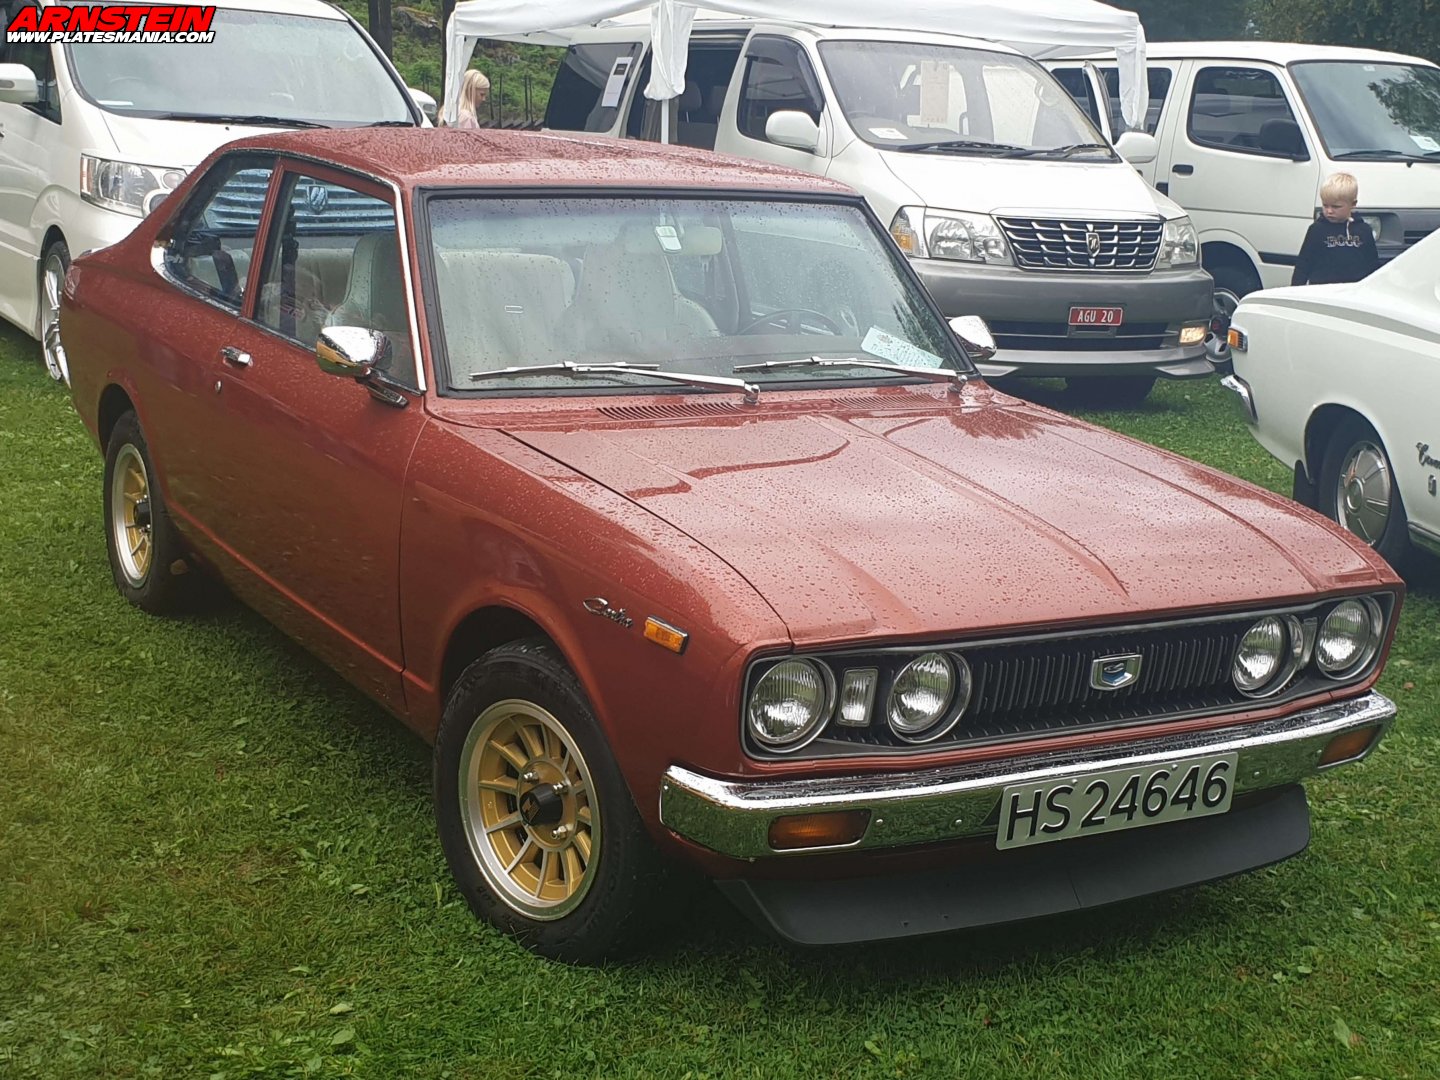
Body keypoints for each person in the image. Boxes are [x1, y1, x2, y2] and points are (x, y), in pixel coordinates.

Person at [1291, 172, 1379, 286]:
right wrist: (1296, 289)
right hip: (1322, 289)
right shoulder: (1316, 230)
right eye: (1325, 205)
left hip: (1354, 290)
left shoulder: (1364, 230)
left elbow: (1372, 263)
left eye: (1336, 207)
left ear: (1353, 204)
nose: (1329, 211)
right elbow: (1303, 263)